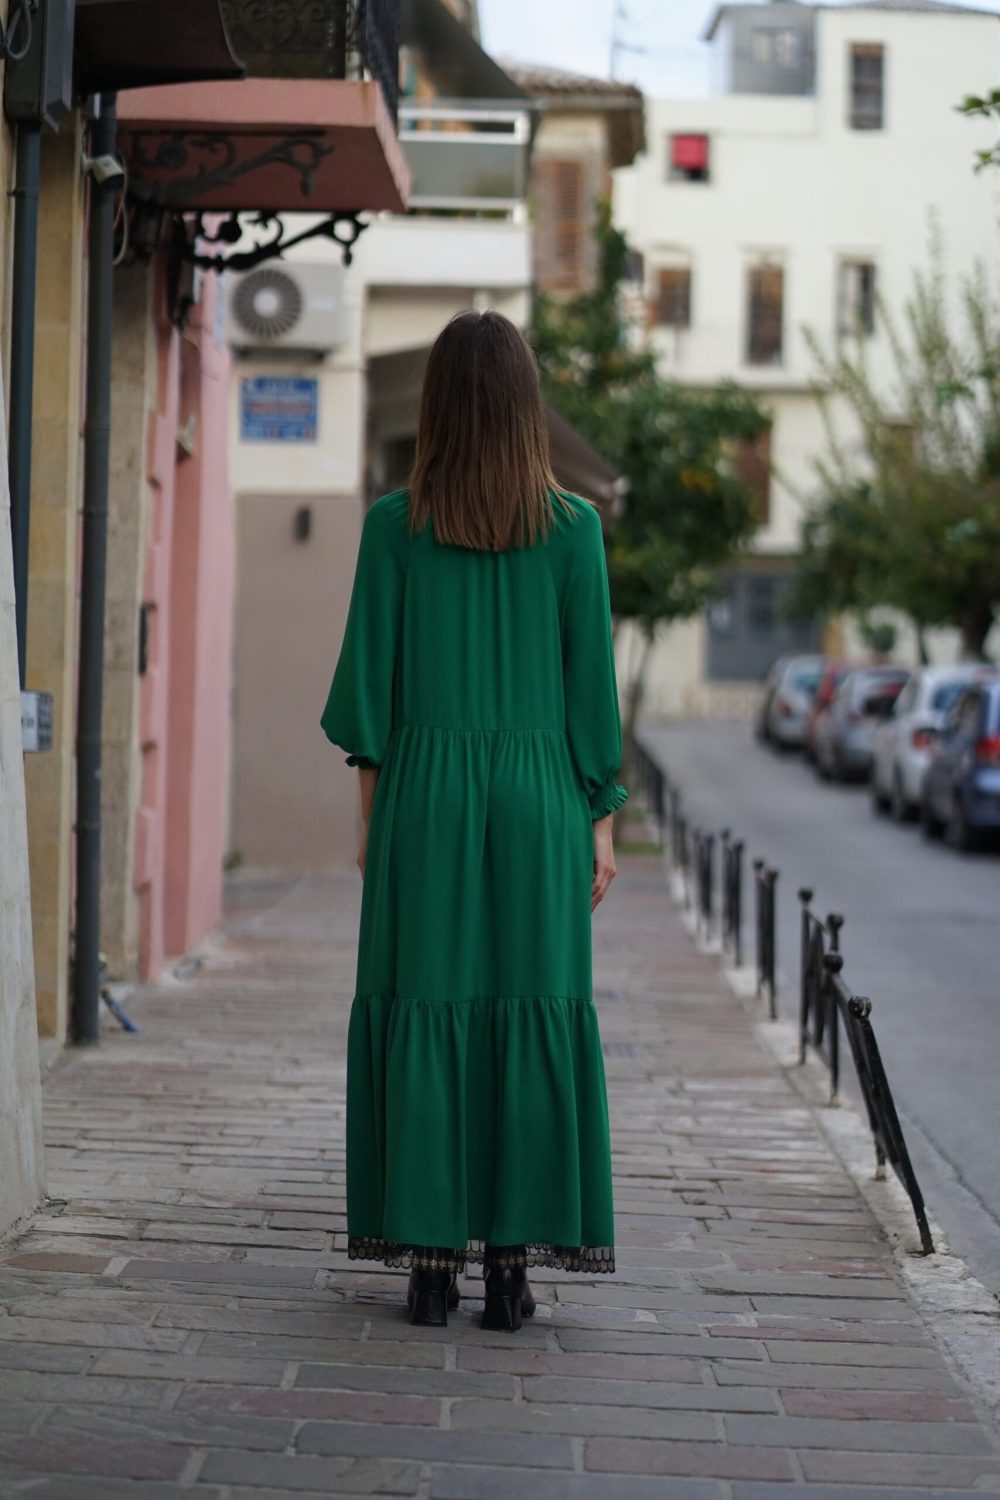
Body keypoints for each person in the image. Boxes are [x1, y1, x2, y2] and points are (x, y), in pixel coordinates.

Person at [320, 309, 627, 1332]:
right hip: (540, 801)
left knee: (426, 1005)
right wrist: (599, 824)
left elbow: (368, 701)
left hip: (425, 799)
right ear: (529, 407)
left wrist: (373, 829)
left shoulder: (392, 527)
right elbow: (592, 698)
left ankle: (427, 1264)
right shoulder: (575, 530)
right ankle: (509, 1271)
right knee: (530, 1008)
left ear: (438, 405)